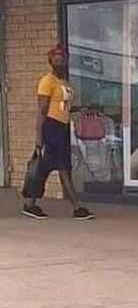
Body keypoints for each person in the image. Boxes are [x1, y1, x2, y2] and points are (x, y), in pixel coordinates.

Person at [21, 44, 94, 220]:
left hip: (62, 128)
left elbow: (63, 107)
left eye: (63, 59)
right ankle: (77, 207)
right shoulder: (47, 81)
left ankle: (30, 205)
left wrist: (78, 111)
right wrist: (39, 138)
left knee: (48, 169)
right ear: (51, 61)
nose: (60, 61)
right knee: (60, 168)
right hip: (51, 128)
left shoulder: (64, 83)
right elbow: (42, 111)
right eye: (57, 59)